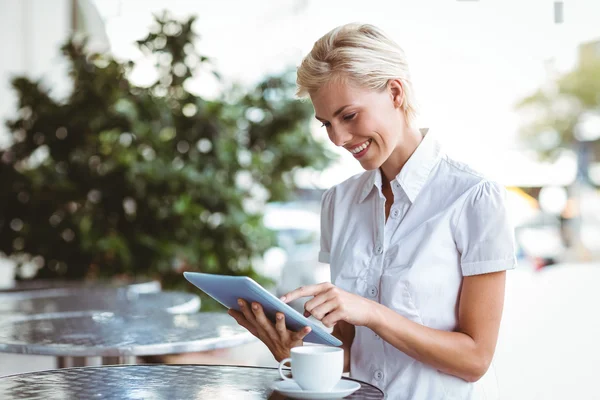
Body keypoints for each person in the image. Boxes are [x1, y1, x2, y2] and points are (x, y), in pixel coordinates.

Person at [228, 23, 516, 399]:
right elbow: (349, 354)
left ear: (395, 92)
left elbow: (475, 358)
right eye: (326, 124)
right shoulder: (339, 203)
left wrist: (373, 313)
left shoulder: (474, 198)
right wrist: (290, 350)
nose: (339, 139)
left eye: (348, 116)